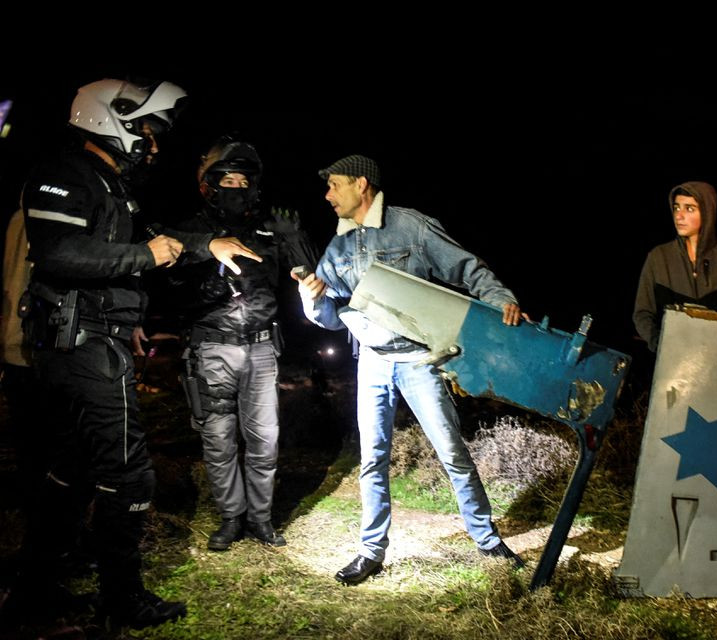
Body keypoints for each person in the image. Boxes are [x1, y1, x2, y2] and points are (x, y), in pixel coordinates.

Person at [16, 78, 258, 630]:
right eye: (147, 131)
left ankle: (35, 594)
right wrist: (143, 256)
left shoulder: (107, 184)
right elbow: (57, 252)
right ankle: (121, 599)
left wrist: (206, 244)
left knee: (72, 473)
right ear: (111, 119)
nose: (152, 144)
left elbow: (157, 237)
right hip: (84, 348)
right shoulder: (66, 173)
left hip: (92, 343)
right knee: (130, 477)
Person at [297, 154, 525, 585]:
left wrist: (501, 301)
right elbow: (330, 316)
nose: (328, 195)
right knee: (372, 459)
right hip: (372, 362)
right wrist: (312, 299)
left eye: (335, 185)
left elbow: (466, 267)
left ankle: (487, 540)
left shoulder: (411, 227)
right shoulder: (338, 246)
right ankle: (370, 551)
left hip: (419, 359)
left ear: (362, 185)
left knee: (452, 452)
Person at [171, 136, 316, 551]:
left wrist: (295, 238)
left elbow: (310, 274)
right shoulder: (193, 230)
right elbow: (172, 288)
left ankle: (261, 518)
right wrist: (210, 280)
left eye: (242, 179)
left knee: (265, 438)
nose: (236, 185)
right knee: (218, 440)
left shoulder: (269, 227)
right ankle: (230, 517)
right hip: (211, 347)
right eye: (227, 178)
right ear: (209, 183)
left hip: (261, 348)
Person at [633, 181, 717, 352]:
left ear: (707, 213)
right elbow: (642, 313)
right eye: (677, 207)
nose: (679, 215)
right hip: (673, 362)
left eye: (689, 209)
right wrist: (660, 344)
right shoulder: (659, 257)